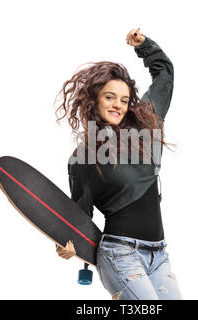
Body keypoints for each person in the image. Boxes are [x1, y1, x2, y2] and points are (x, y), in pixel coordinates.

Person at [54, 28, 182, 300]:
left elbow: (164, 75)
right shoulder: (83, 158)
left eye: (124, 100)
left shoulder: (146, 123)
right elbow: (81, 216)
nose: (118, 105)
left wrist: (145, 46)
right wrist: (68, 245)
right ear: (95, 99)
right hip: (120, 255)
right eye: (109, 97)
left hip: (159, 255)